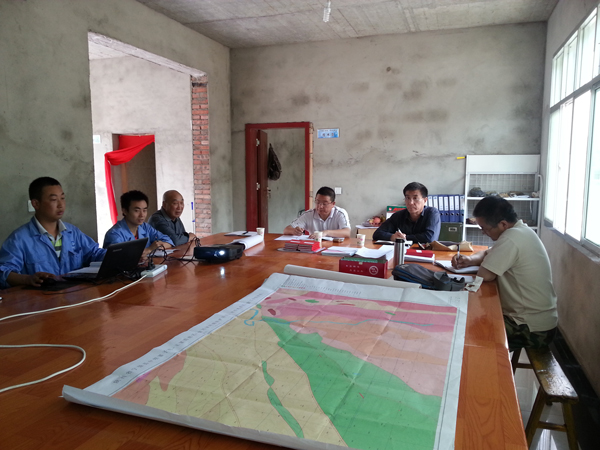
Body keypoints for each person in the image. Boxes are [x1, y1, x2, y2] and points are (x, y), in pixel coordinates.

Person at [451, 196, 557, 351]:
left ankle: (482, 365)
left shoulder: (512, 238)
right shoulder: (520, 231)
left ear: (503, 224)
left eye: (486, 229)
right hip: (536, 321)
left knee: (466, 329)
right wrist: (470, 260)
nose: (484, 233)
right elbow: (487, 253)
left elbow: (485, 275)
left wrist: (481, 264)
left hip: (530, 328)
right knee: (471, 320)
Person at [0, 177, 106, 288]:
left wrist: (115, 256)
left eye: (63, 198)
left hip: (74, 295)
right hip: (39, 297)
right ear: (36, 204)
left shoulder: (72, 232)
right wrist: (27, 279)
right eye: (54, 199)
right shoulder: (19, 239)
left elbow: (94, 253)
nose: (61, 205)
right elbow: (3, 273)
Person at [103, 190, 174, 257]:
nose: (142, 215)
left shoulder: (145, 227)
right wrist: (149, 249)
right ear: (125, 211)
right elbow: (119, 258)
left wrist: (157, 246)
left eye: (144, 210)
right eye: (136, 211)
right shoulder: (114, 234)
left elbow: (169, 241)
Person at [372, 182, 440, 243]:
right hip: (402, 251)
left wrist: (404, 238)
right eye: (407, 198)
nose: (411, 203)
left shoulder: (432, 213)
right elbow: (377, 234)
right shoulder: (398, 216)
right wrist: (392, 237)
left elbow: (430, 238)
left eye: (415, 198)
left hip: (424, 252)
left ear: (425, 200)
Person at [283, 186, 351, 239]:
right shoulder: (309, 215)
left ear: (333, 204)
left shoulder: (340, 213)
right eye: (317, 202)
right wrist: (294, 231)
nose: (320, 206)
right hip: (315, 248)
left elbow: (347, 232)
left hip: (336, 247)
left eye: (324, 203)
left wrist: (326, 232)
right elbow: (286, 230)